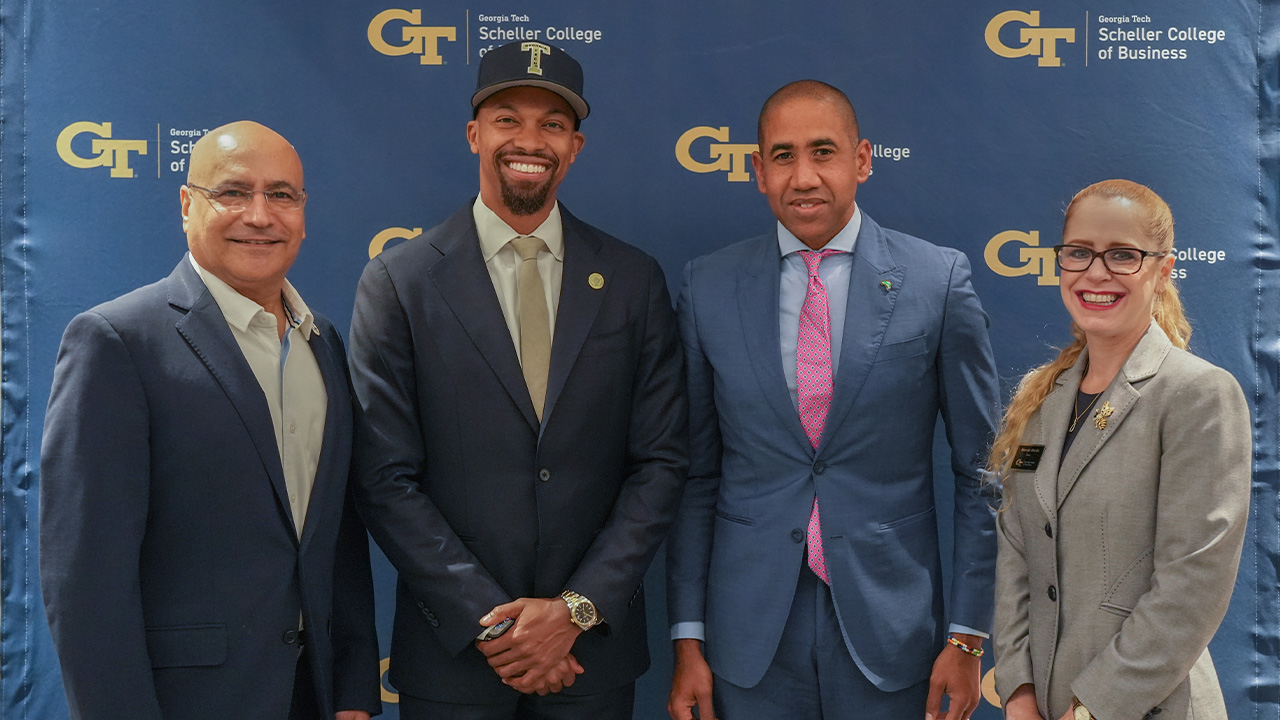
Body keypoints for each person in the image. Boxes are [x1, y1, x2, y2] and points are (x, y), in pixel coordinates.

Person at [347, 40, 687, 720]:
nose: (529, 139)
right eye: (507, 118)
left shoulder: (631, 280)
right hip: (457, 661)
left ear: (576, 146)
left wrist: (575, 611)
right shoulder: (400, 283)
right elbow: (385, 478)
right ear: (475, 133)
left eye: (552, 124)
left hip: (590, 660)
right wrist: (497, 625)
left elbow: (661, 462)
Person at [665, 80, 1001, 720]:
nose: (805, 176)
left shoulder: (937, 280)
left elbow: (981, 473)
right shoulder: (707, 286)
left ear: (863, 160)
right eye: (783, 156)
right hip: (750, 636)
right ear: (758, 171)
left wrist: (966, 634)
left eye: (824, 151)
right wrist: (688, 637)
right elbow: (696, 475)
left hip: (893, 631)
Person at [39, 121, 381, 720]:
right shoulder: (118, 341)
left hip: (315, 696)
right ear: (186, 204)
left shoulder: (322, 342)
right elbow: (85, 579)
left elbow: (337, 538)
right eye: (232, 192)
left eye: (281, 195)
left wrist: (351, 689)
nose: (259, 215)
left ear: (302, 210)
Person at [990, 180, 1250, 720]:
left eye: (1123, 256)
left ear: (1163, 270)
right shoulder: (1039, 397)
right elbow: (1017, 557)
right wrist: (1017, 692)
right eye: (1079, 252)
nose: (1096, 272)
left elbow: (1192, 585)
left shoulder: (1197, 394)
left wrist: (1094, 709)